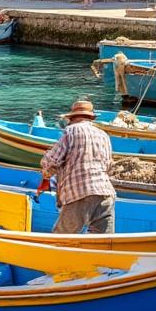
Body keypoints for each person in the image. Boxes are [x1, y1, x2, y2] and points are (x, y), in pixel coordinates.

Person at [38, 100, 116, 234]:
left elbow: (51, 163)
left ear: (72, 118)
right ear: (91, 118)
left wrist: (45, 176)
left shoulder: (70, 131)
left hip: (80, 192)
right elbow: (108, 166)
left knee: (61, 239)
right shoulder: (104, 135)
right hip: (105, 192)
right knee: (101, 242)